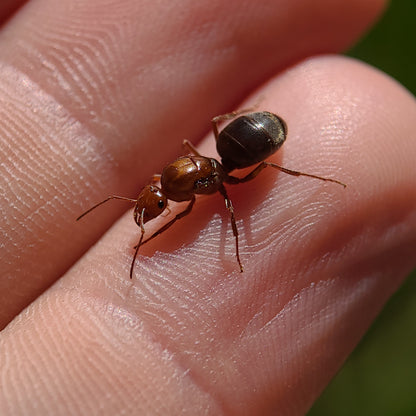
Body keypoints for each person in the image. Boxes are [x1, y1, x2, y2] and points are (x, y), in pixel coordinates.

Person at [1, 0, 415, 414]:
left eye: (154, 205)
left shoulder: (195, 185)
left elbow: (182, 202)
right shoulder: (173, 177)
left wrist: (191, 243)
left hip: (253, 139)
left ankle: (311, 178)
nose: (151, 208)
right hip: (228, 147)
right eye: (153, 205)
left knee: (243, 189)